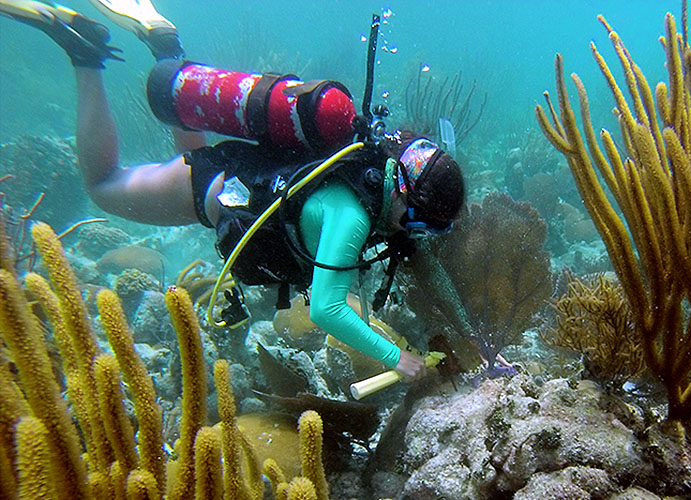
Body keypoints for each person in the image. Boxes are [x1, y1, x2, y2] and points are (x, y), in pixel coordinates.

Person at [0, 0, 465, 382]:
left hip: (231, 177)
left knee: (186, 134)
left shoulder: (369, 162)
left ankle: (166, 47)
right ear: (404, 189)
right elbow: (326, 309)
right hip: (208, 189)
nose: (413, 234)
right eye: (420, 224)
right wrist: (396, 359)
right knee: (102, 186)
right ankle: (86, 57)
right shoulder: (353, 215)